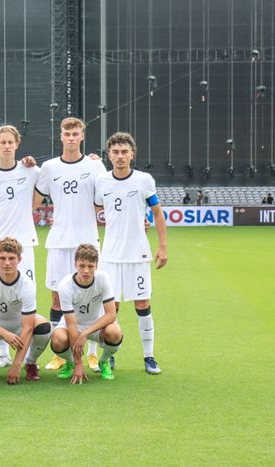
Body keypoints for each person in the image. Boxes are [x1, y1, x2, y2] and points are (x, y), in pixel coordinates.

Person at [33, 117, 106, 373]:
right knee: (56, 297)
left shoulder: (96, 167)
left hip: (87, 240)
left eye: (76, 133)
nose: (72, 137)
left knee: (93, 295)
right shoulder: (50, 167)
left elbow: (104, 202)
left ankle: (94, 355)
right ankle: (61, 354)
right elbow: (34, 198)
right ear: (61, 136)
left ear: (82, 136)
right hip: (59, 240)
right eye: (67, 133)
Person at [94, 131, 167, 375]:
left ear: (132, 154)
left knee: (142, 303)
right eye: (115, 152)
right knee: (111, 307)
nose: (120, 156)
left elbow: (157, 212)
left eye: (124, 152)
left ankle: (149, 356)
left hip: (138, 254)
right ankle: (109, 356)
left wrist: (162, 245)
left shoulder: (144, 180)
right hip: (111, 256)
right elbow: (94, 209)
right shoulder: (102, 181)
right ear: (109, 155)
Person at [0, 124, 40, 368]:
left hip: (25, 243)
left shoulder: (31, 170)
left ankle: (27, 356)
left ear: (17, 144)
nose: (6, 146)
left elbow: (43, 191)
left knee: (27, 295)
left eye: (10, 142)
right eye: (2, 142)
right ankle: (3, 351)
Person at [0, 237, 51, 384]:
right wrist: (4, 333)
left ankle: (30, 363)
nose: (7, 263)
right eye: (2, 258)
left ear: (19, 259)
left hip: (19, 324)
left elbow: (28, 326)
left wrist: (16, 364)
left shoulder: (27, 285)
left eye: (11, 258)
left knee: (44, 327)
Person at [50, 244, 123, 383]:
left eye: (90, 266)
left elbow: (111, 314)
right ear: (75, 264)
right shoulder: (65, 286)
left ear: (96, 265)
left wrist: (85, 334)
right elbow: (71, 324)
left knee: (115, 332)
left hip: (96, 325)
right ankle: (70, 363)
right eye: (82, 265)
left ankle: (104, 361)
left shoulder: (103, 278)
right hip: (72, 325)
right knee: (58, 339)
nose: (86, 271)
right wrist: (78, 363)